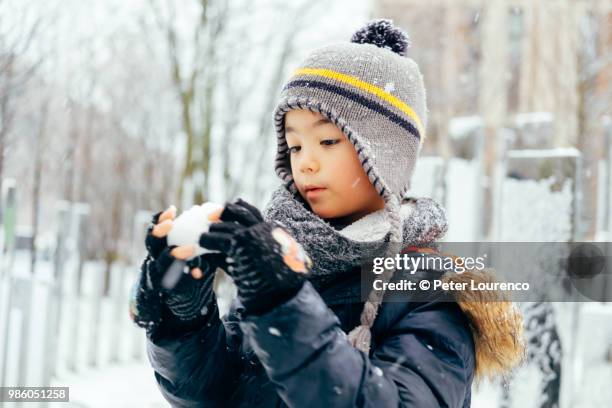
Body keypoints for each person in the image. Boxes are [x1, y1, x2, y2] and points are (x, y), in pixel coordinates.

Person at [130, 19, 524, 407]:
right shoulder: (281, 261)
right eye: (295, 146)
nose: (306, 164)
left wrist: (285, 305)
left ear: (386, 156)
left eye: (328, 140)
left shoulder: (429, 293)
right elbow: (219, 394)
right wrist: (184, 318)